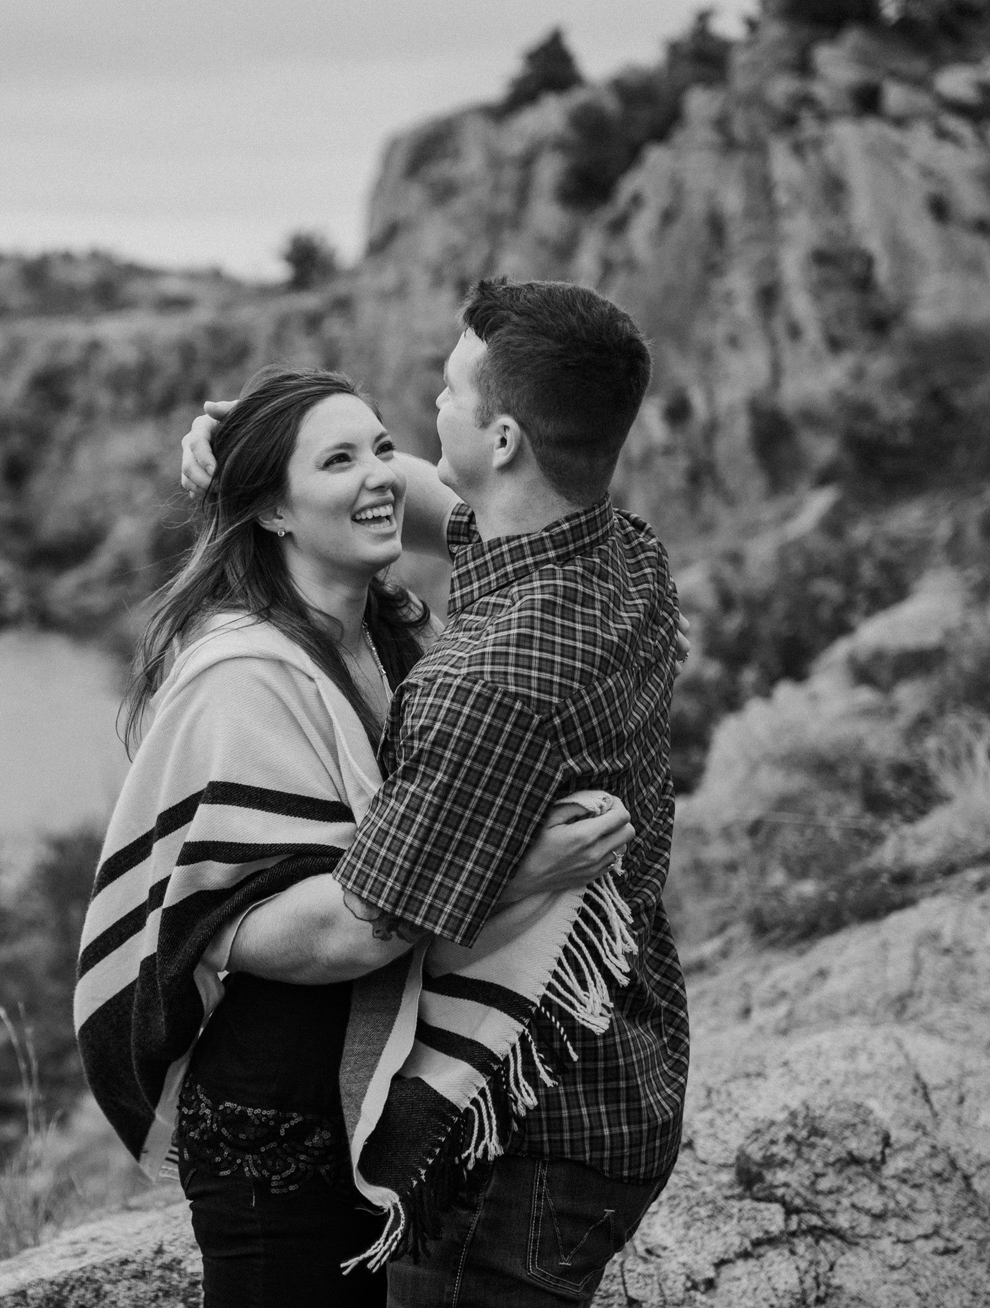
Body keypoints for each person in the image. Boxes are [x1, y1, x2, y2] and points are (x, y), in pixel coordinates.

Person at [74, 365, 637, 1308]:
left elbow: (481, 504)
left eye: (383, 446)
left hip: (363, 1102)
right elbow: (300, 936)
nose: (381, 475)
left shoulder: (388, 635)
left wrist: (294, 451)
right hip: (277, 1132)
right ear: (274, 514)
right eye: (337, 461)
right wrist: (521, 870)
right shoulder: (243, 673)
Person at [176, 279, 688, 1307]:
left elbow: (356, 931)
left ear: (500, 439)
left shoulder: (486, 682)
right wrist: (261, 446)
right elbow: (424, 494)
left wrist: (200, 921)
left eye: (447, 394)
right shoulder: (622, 558)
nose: (427, 414)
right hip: (628, 1069)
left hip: (523, 1130)